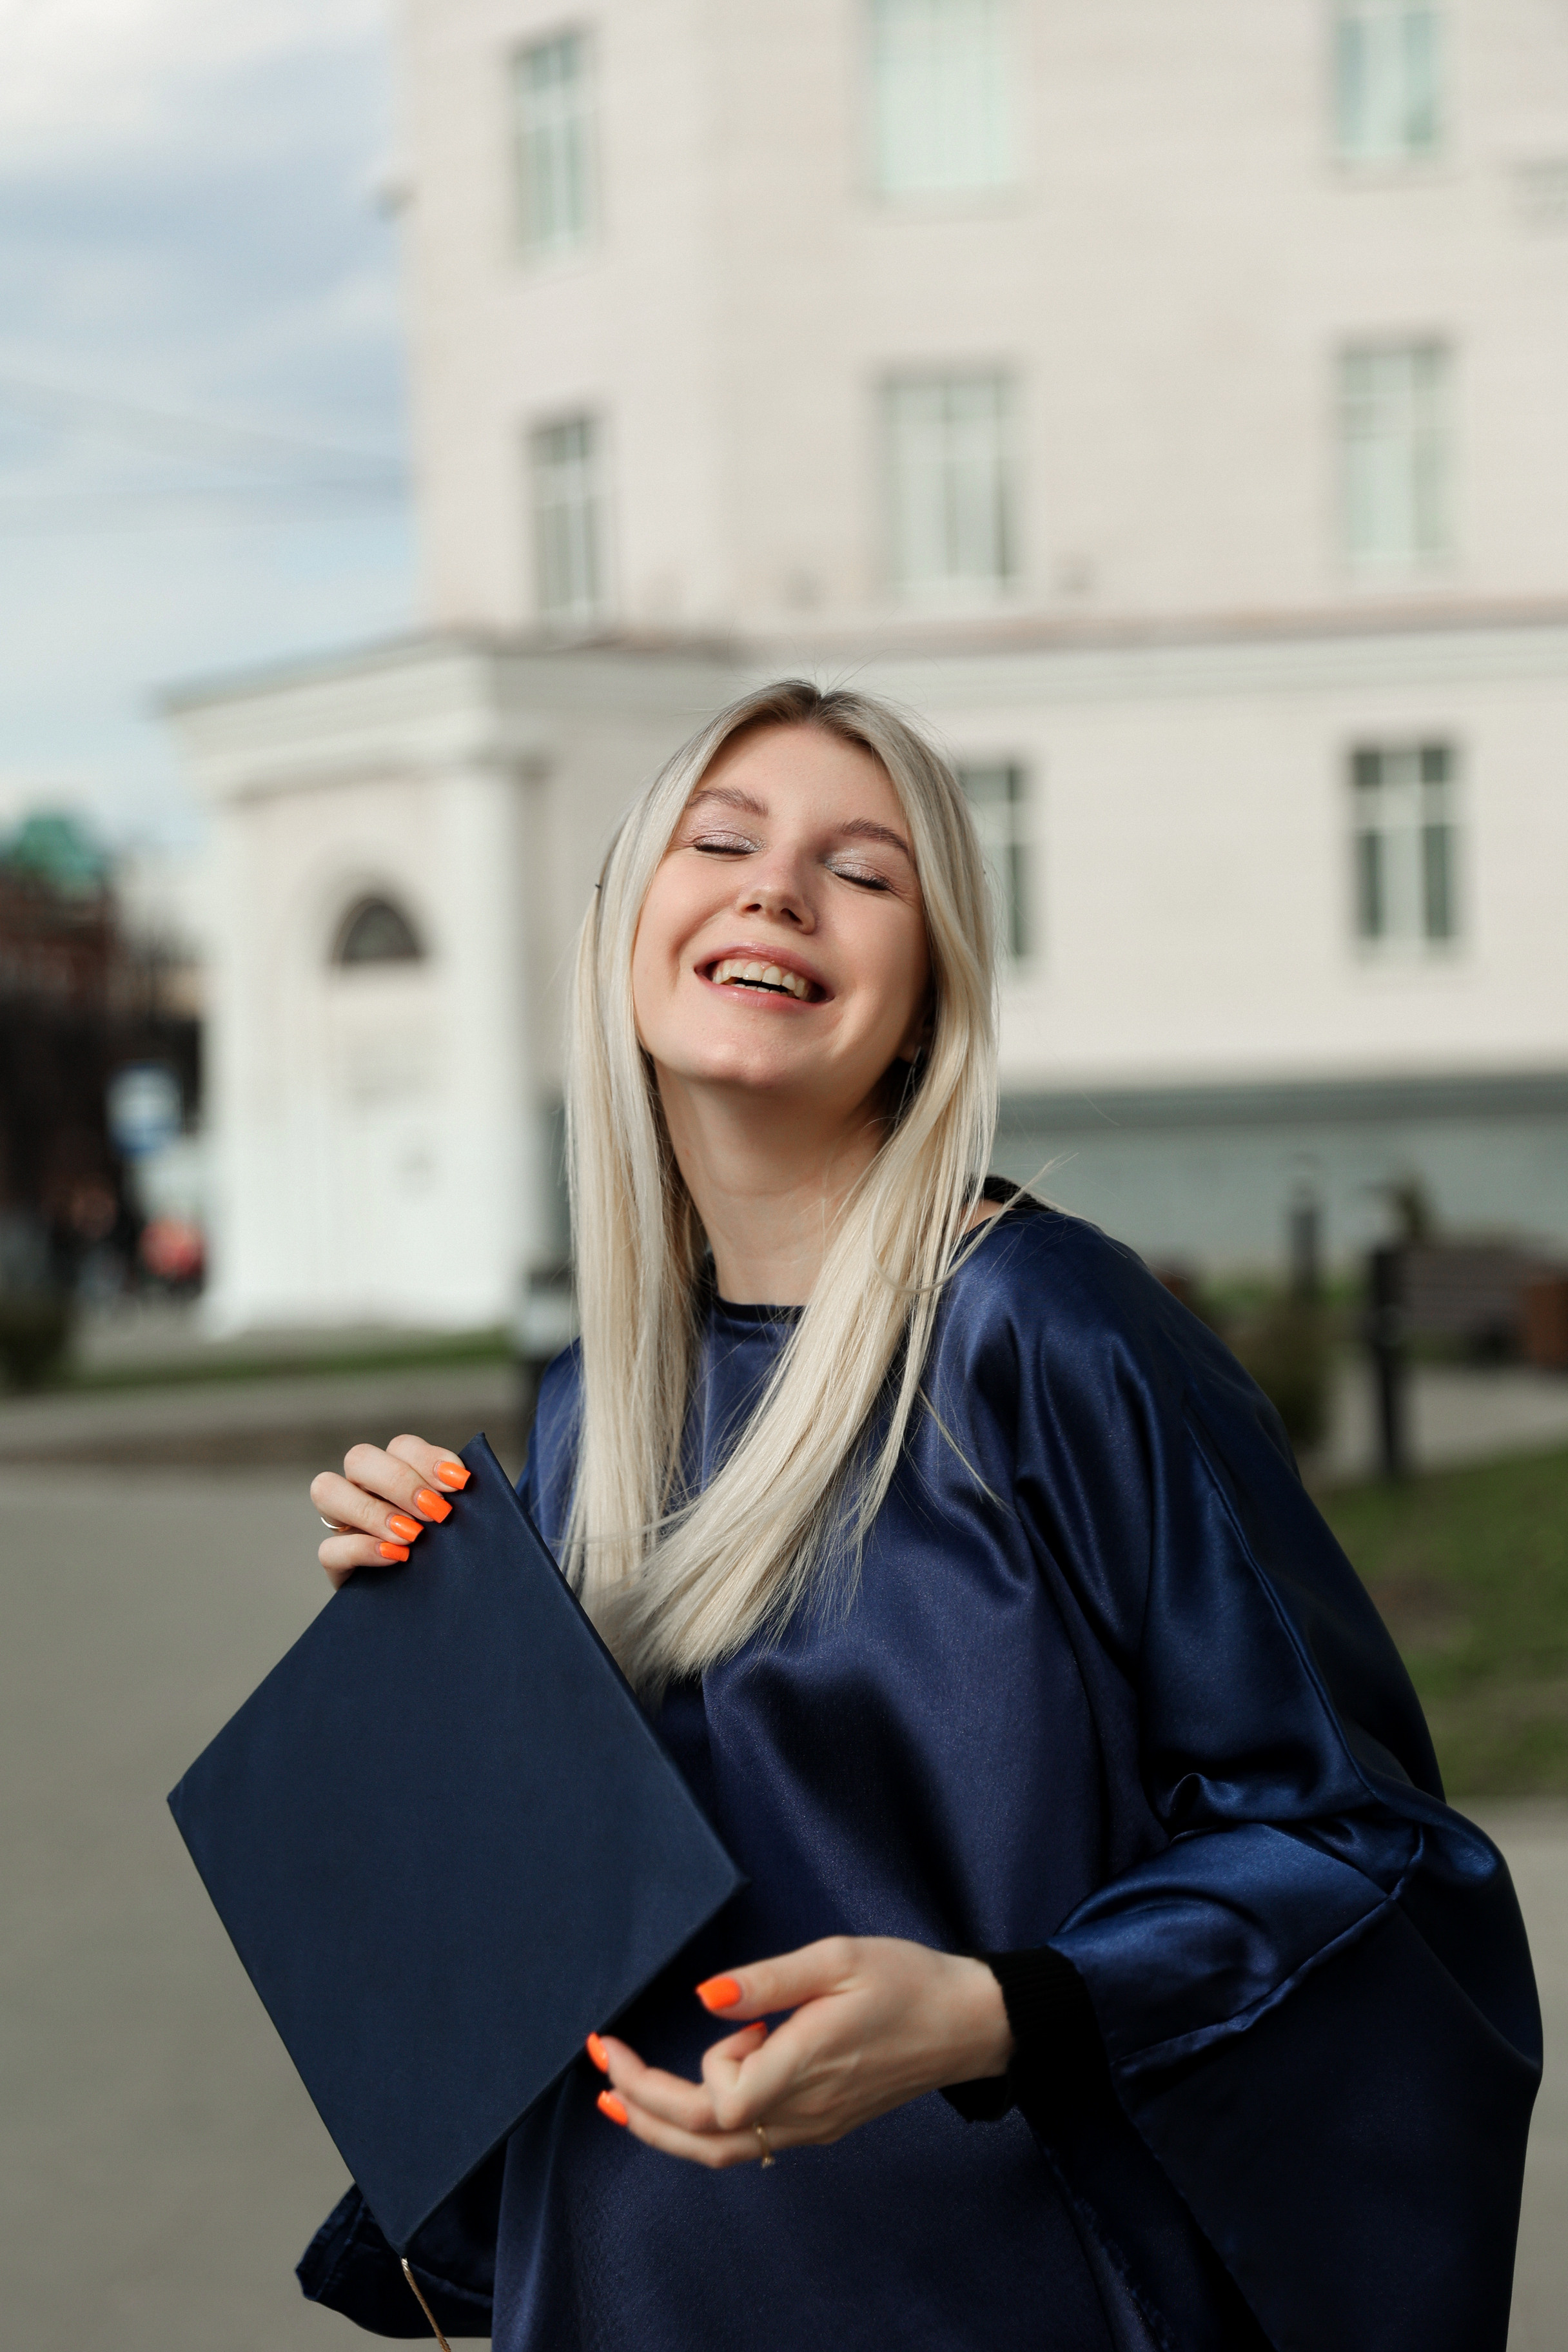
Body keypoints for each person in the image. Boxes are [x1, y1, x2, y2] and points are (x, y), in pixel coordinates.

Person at [300, 681, 1538, 2351]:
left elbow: (1365, 1852)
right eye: (720, 839)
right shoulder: (601, 1401)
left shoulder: (1043, 1334)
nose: (774, 889)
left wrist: (1000, 2012)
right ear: (621, 930)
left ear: (928, 995)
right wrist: (431, 1639)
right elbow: (556, 1933)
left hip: (972, 2296)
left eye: (860, 869)